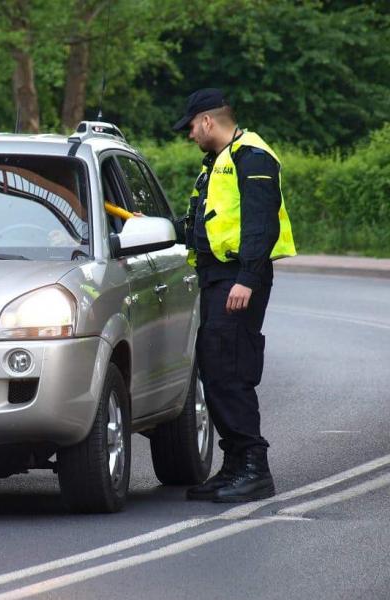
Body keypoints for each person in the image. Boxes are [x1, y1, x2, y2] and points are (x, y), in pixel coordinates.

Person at [172, 88, 296, 502]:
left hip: (238, 280)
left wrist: (246, 278)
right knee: (215, 368)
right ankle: (234, 465)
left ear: (208, 121)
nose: (189, 135)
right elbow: (209, 223)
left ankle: (254, 468)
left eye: (191, 126)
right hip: (218, 278)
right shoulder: (218, 163)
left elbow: (262, 225)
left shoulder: (253, 156)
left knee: (230, 369)